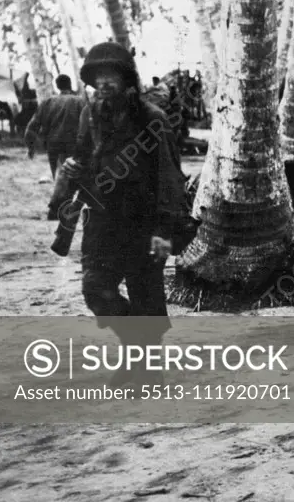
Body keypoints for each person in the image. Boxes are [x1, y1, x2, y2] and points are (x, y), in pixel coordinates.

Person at [60, 42, 185, 343]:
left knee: (146, 300)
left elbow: (169, 176)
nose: (103, 82)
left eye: (110, 74)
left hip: (144, 221)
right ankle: (135, 345)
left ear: (127, 79)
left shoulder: (151, 118)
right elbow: (84, 155)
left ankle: (146, 371)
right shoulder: (90, 115)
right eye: (97, 75)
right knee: (96, 290)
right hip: (102, 221)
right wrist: (74, 168)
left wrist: (163, 230)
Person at [24, 74, 86, 179]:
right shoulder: (80, 102)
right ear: (70, 85)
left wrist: (30, 147)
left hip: (53, 146)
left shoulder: (47, 102)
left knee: (58, 177)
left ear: (57, 86)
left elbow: (31, 127)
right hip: (74, 144)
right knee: (73, 178)